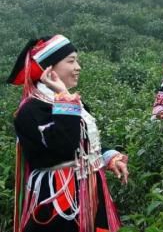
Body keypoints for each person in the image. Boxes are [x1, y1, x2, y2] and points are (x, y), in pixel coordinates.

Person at [7, 35, 128, 232]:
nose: (78, 67)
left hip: (90, 191)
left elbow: (83, 144)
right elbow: (64, 147)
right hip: (57, 197)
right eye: (71, 61)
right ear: (49, 69)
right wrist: (64, 98)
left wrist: (109, 157)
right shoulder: (31, 110)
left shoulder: (73, 103)